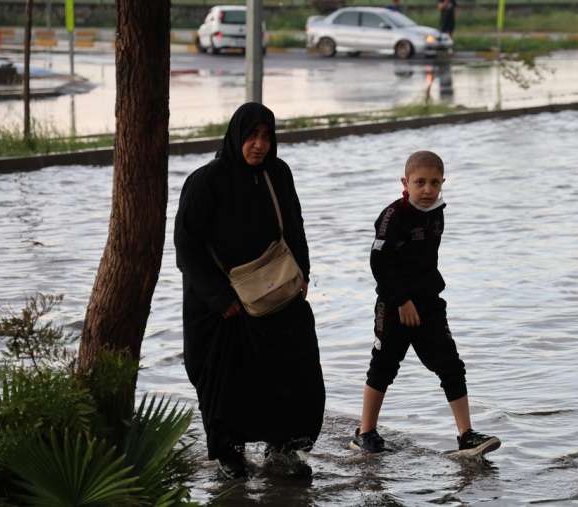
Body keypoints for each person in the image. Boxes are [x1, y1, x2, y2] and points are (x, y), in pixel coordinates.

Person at [174, 102, 326, 479]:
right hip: (221, 304)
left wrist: (302, 274)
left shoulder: (278, 173)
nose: (259, 145)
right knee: (228, 382)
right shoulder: (206, 181)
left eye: (267, 136)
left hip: (277, 292)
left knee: (296, 370)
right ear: (236, 136)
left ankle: (284, 448)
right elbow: (186, 247)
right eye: (252, 136)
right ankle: (230, 454)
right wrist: (220, 299)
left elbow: (294, 226)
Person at [350, 150, 500, 456]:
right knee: (383, 367)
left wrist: (420, 297)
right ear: (405, 182)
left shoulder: (437, 212)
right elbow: (379, 263)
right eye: (420, 182)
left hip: (429, 304)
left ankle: (466, 435)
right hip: (395, 306)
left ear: (443, 183)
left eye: (435, 183)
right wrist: (401, 300)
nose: (428, 189)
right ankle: (365, 433)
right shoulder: (393, 216)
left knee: (451, 366)